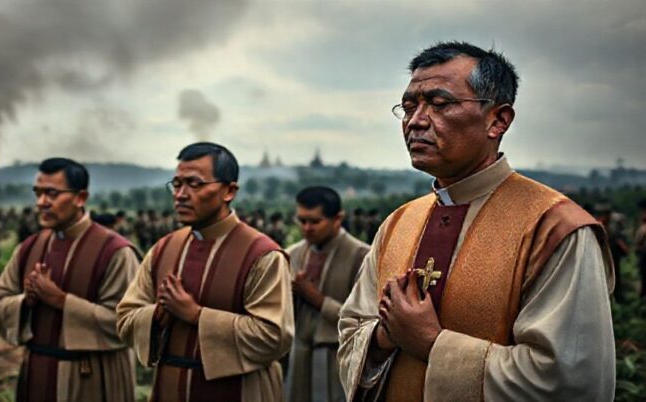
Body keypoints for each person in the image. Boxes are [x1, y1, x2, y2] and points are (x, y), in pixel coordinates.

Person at [337, 41, 615, 402]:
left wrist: (432, 344)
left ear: (497, 120)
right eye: (409, 107)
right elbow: (350, 331)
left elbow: (572, 379)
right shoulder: (399, 223)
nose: (416, 121)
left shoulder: (555, 228)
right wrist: (386, 336)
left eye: (439, 104)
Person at [117, 142, 293, 402]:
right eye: (177, 184)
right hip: (169, 386)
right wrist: (155, 316)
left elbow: (274, 337)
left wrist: (197, 315)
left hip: (240, 390)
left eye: (194, 184)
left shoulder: (262, 255)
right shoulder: (163, 249)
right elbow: (125, 318)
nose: (181, 194)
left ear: (229, 191)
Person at [0, 157, 139, 401]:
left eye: (52, 194)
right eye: (38, 193)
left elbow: (128, 324)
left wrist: (60, 300)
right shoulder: (29, 247)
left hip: (92, 377)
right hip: (36, 373)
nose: (41, 202)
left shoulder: (115, 252)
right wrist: (26, 301)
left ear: (80, 198)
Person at [286, 186, 369, 402]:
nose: (307, 228)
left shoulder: (361, 256)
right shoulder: (292, 255)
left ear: (337, 218)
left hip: (337, 357)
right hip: (298, 355)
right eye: (302, 221)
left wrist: (316, 298)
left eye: (314, 221)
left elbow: (366, 319)